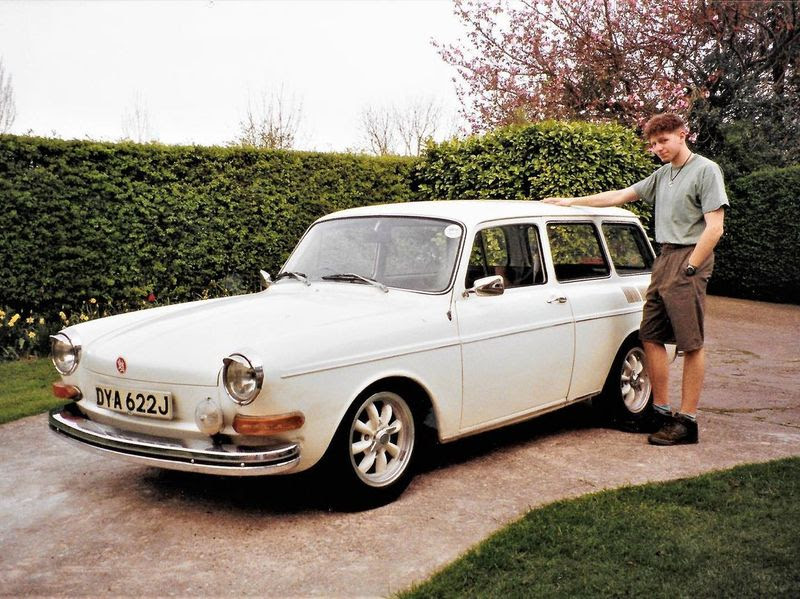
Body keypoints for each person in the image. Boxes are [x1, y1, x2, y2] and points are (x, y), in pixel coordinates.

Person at [543, 113, 728, 445]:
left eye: (664, 141)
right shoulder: (661, 176)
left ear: (683, 135)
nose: (658, 148)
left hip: (689, 257)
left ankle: (687, 422)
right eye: (653, 144)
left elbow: (715, 227)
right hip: (664, 257)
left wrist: (691, 266)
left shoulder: (705, 170)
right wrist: (571, 202)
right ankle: (659, 412)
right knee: (651, 335)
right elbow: (619, 195)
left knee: (691, 343)